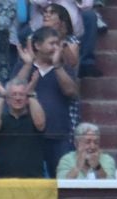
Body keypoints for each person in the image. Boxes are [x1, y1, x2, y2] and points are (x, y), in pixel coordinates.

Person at [13, 25, 79, 176]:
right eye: (52, 43)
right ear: (37, 45)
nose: (56, 48)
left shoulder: (64, 68)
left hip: (59, 135)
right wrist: (28, 65)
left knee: (60, 181)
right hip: (28, 136)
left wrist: (57, 66)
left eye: (58, 44)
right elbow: (15, 91)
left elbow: (71, 92)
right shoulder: (23, 66)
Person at [0, 76, 46, 178]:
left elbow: (40, 125)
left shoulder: (34, 117)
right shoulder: (2, 118)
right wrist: (2, 96)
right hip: (5, 178)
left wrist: (30, 94)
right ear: (8, 99)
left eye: (22, 94)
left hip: (34, 179)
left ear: (27, 99)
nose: (18, 98)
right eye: (14, 94)